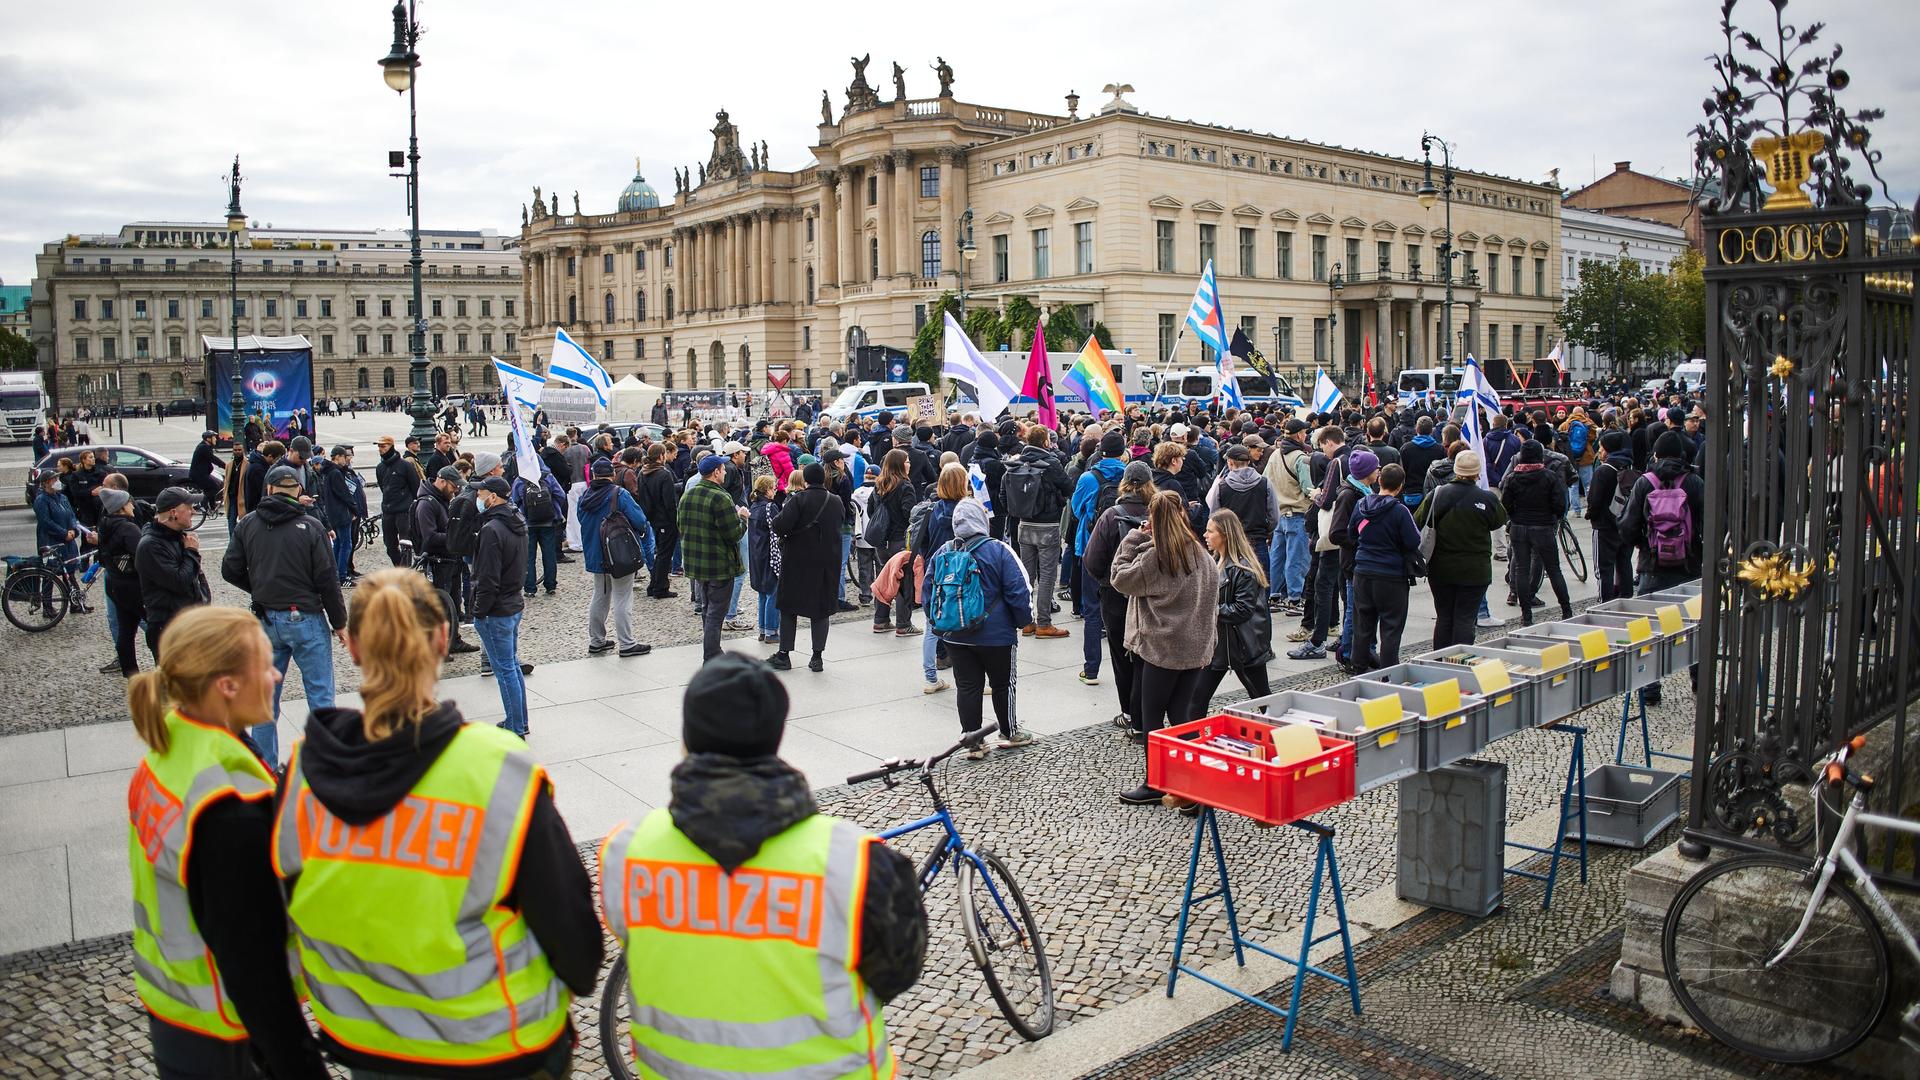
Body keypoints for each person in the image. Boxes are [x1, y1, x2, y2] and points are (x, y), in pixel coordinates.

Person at [272, 569, 599, 1078]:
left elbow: (281, 915)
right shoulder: (497, 770)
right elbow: (574, 940)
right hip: (494, 1045)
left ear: (353, 647)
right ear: (443, 637)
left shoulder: (299, 776)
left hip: (367, 1042)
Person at [598, 654, 925, 1078]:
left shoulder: (626, 851)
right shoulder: (856, 860)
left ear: (686, 737)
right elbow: (898, 971)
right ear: (776, 736)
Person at [126, 606, 329, 1080]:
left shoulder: (169, 749)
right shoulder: (227, 807)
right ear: (227, 686)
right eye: (265, 664)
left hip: (176, 1007)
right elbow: (254, 970)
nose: (277, 674)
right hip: (224, 1028)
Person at [221, 465, 348, 765]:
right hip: (305, 616)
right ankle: (324, 762)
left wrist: (259, 587)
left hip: (267, 618)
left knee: (265, 699)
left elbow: (229, 570)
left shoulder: (247, 524)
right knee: (320, 695)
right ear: (299, 492)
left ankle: (264, 765)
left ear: (268, 490)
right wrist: (340, 622)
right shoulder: (311, 527)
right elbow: (327, 580)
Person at [1111, 489, 1219, 805]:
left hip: (1161, 649)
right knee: (1181, 717)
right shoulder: (1201, 555)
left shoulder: (1157, 558)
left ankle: (1157, 782)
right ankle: (1190, 783)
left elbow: (1119, 577)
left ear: (1153, 521)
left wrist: (1133, 538)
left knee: (1152, 719)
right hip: (1193, 648)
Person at [933, 499, 1034, 757]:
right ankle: (1010, 732)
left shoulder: (943, 552)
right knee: (1003, 684)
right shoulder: (999, 550)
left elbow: (930, 592)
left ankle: (973, 742)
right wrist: (1022, 621)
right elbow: (1019, 590)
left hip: (955, 634)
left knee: (967, 686)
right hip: (997, 635)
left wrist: (941, 626)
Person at [1083, 460, 1154, 732]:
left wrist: (1108, 580)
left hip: (1116, 595)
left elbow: (1092, 560)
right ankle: (1148, 712)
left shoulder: (1112, 515)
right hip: (1152, 595)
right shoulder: (1160, 512)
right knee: (1149, 656)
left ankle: (1129, 713)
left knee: (1121, 655)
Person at [1415, 450, 1507, 649]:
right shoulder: (1486, 498)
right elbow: (1499, 521)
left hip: (1441, 568)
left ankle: (1438, 661)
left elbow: (1418, 521)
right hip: (1475, 569)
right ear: (1477, 473)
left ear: (1456, 470)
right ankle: (1461, 661)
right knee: (1465, 618)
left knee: (1444, 617)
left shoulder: (1437, 495)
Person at [1192, 508, 1274, 713]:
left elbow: (1242, 610)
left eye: (1210, 531)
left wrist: (1209, 609)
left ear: (1225, 535)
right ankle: (1195, 742)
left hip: (1243, 648)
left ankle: (1282, 739)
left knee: (1264, 701)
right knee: (1195, 701)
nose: (1205, 535)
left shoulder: (1243, 569)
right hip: (1220, 647)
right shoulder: (1216, 561)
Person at [769, 462, 846, 672]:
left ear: (805, 480)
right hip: (826, 562)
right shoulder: (836, 501)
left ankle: (784, 654)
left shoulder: (798, 500)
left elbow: (778, 525)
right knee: (821, 610)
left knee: (788, 607)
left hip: (797, 561)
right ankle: (817, 657)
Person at [470, 476, 532, 735]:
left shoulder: (492, 529)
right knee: (511, 664)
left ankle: (516, 725)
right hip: (513, 601)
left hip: (497, 608)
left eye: (481, 493)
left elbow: (487, 576)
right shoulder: (516, 521)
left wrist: (478, 612)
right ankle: (519, 721)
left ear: (493, 497)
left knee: (505, 668)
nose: (479, 498)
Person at [577, 458, 655, 660]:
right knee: (622, 596)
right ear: (611, 474)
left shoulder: (584, 497)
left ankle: (597, 641)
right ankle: (627, 643)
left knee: (599, 595)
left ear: (593, 475)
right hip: (619, 553)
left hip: (595, 553)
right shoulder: (619, 494)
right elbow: (640, 520)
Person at [1350, 463, 1421, 673]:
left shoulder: (1361, 505)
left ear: (1379, 480)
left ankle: (1359, 669)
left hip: (1363, 571)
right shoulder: (1400, 511)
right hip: (1391, 575)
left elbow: (1351, 534)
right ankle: (1388, 674)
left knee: (1363, 626)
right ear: (1400, 487)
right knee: (1391, 628)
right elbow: (1412, 541)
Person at [1003, 426, 1073, 639]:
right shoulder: (1051, 463)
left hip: (1023, 524)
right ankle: (1044, 623)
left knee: (1026, 575)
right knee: (1048, 575)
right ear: (1045, 442)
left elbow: (1003, 494)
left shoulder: (1014, 463)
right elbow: (1068, 487)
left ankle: (1026, 621)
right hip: (1047, 525)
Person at [678, 453, 749, 660]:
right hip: (719, 564)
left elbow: (681, 527)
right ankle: (711, 654)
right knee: (716, 612)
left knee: (708, 610)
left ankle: (712, 650)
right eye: (723, 469)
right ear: (716, 472)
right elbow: (733, 534)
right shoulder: (721, 496)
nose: (726, 472)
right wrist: (743, 518)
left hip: (697, 564)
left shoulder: (688, 495)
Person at [1501, 440, 1574, 625]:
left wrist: (1516, 517)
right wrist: (1551, 517)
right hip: (1542, 527)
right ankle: (1566, 610)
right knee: (1554, 570)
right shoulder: (1549, 477)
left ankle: (1526, 616)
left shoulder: (1512, 478)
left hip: (1519, 527)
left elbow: (1506, 504)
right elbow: (1559, 504)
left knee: (1521, 570)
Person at [137, 488, 211, 658]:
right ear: (173, 513)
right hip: (169, 627)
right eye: (189, 507)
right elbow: (179, 581)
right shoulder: (151, 545)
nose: (194, 511)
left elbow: (194, 579)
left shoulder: (177, 536)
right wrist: (191, 552)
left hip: (188, 622)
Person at [1264, 419, 1314, 613]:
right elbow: (1307, 487)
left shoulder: (1275, 454)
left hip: (1279, 513)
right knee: (1297, 558)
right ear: (1300, 435)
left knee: (1277, 556)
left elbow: (1266, 482)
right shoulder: (1301, 458)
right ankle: (1294, 598)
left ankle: (1274, 596)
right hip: (1297, 513)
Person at [97, 487, 147, 676]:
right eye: (128, 502)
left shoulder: (105, 524)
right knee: (155, 625)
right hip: (132, 584)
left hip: (114, 583)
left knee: (126, 630)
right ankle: (167, 665)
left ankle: (130, 671)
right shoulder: (128, 528)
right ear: (120, 507)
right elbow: (143, 556)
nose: (132, 505)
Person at [867, 448, 917, 635]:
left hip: (882, 541)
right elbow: (909, 514)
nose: (909, 464)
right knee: (903, 581)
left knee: (883, 579)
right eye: (907, 461)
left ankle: (880, 619)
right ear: (899, 464)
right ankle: (903, 624)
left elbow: (872, 511)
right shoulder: (905, 486)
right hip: (899, 540)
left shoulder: (879, 484)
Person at [1586, 429, 1637, 602]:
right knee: (1624, 565)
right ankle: (1627, 599)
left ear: (1608, 449)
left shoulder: (1603, 471)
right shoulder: (1629, 467)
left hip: (1604, 527)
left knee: (1603, 570)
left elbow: (1594, 501)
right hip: (1625, 525)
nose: (1599, 451)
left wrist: (1590, 515)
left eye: (1601, 447)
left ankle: (1605, 604)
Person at [31, 469, 89, 613]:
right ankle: (47, 607)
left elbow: (72, 516)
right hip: (50, 542)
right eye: (54, 479)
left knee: (69, 572)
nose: (57, 481)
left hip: (67, 541)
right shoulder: (41, 500)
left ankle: (76, 602)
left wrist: (74, 531)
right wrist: (64, 533)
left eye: (57, 478)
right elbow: (45, 522)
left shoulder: (62, 497)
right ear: (46, 483)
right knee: (50, 574)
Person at [513, 454, 567, 596]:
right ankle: (550, 585)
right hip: (548, 521)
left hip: (527, 523)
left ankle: (530, 588)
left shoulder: (520, 480)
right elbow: (561, 495)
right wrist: (553, 508)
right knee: (549, 554)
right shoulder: (547, 477)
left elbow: (514, 500)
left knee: (528, 556)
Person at [318, 444, 367, 586]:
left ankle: (335, 573)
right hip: (341, 513)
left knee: (339, 543)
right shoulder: (335, 473)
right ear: (337, 457)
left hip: (333, 513)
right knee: (346, 543)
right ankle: (342, 576)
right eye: (344, 457)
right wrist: (354, 509)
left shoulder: (328, 471)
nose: (346, 460)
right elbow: (344, 494)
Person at [373, 435, 420, 568]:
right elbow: (383, 487)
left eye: (383, 446)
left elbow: (415, 487)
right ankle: (400, 568)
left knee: (406, 544)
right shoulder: (380, 468)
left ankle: (405, 573)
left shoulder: (405, 465)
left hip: (403, 512)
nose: (380, 449)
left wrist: (410, 505)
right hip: (388, 511)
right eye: (379, 447)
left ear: (391, 446)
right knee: (390, 546)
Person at [747, 475, 783, 644]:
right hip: (770, 554)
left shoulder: (754, 506)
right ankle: (771, 632)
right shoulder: (770, 507)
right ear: (767, 489)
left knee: (763, 592)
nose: (775, 490)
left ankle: (762, 630)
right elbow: (778, 528)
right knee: (773, 592)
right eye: (773, 487)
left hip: (756, 555)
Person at [187, 430, 223, 507]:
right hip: (199, 475)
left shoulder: (205, 446)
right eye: (214, 437)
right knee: (214, 487)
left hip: (201, 474)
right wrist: (226, 466)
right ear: (208, 439)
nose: (216, 439)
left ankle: (211, 506)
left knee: (211, 488)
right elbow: (214, 459)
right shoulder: (204, 447)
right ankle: (203, 504)